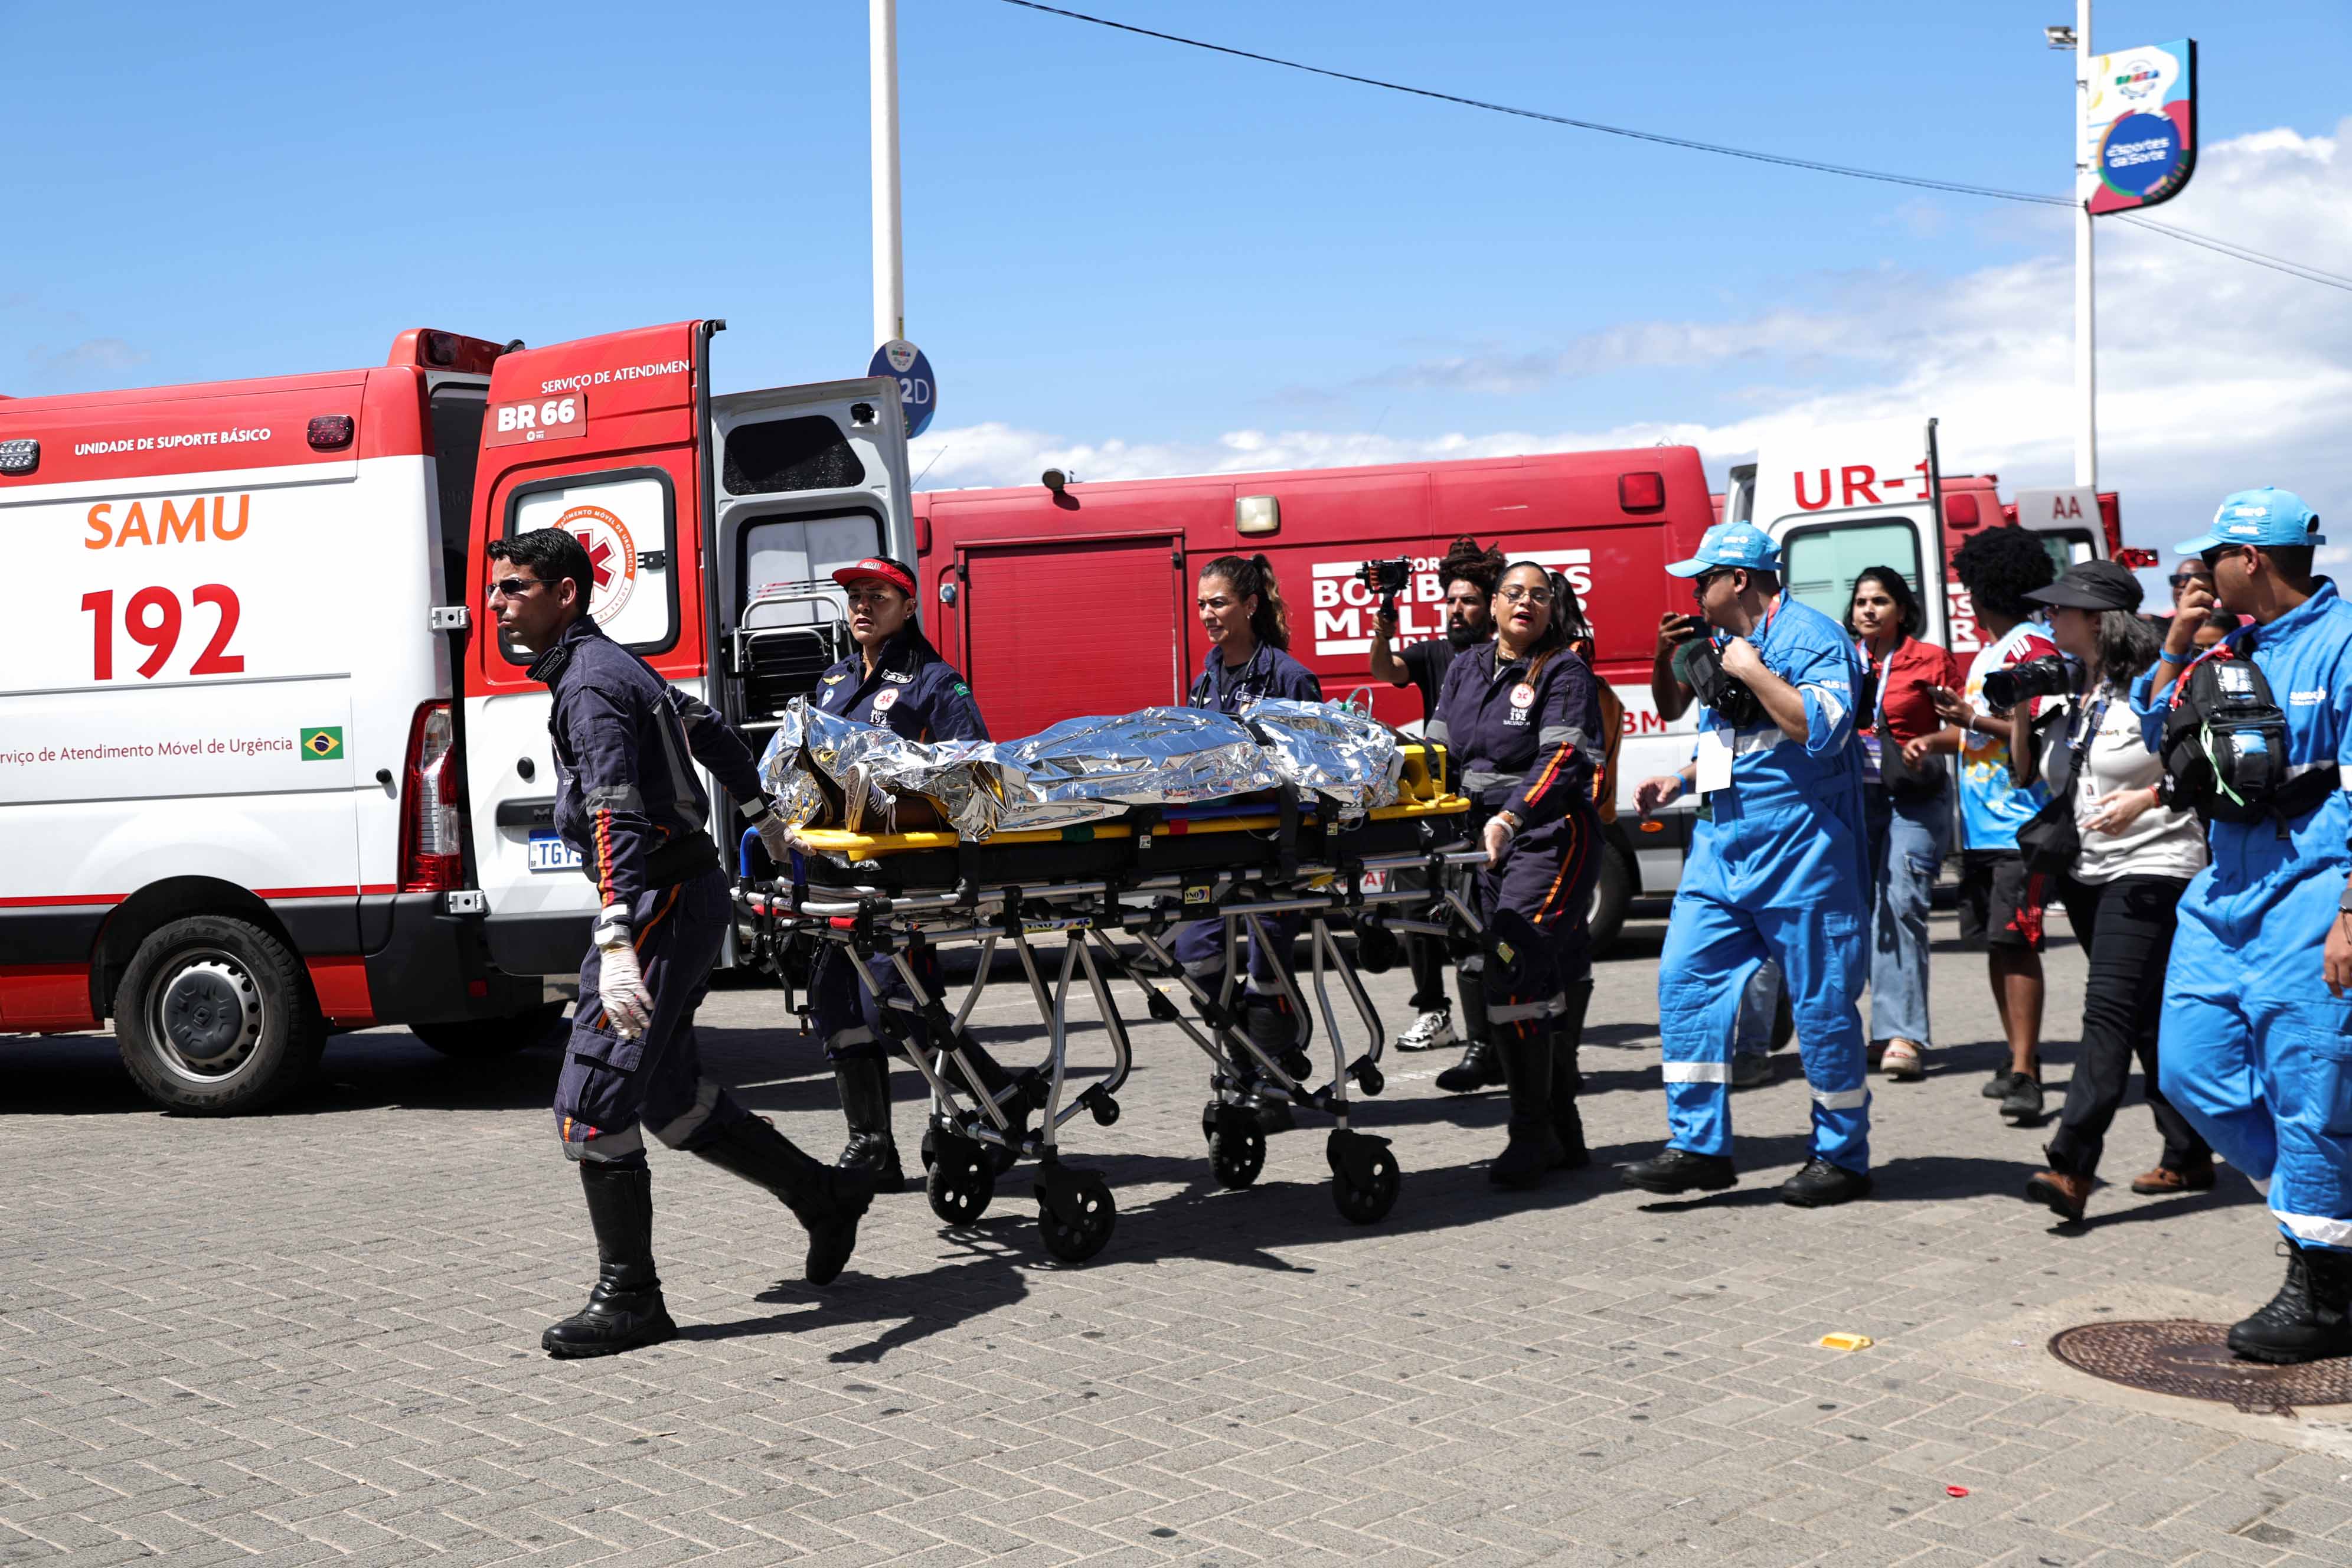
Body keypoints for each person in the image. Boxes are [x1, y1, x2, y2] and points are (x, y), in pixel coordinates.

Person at [486, 528, 873, 1359]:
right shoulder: (609, 665)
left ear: (565, 594)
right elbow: (703, 726)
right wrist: (762, 814)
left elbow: (616, 810)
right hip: (681, 895)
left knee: (591, 1105)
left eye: (515, 588)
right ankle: (823, 1196)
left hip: (659, 900)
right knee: (664, 1097)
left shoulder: (588, 683)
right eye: (497, 589)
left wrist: (619, 930)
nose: (497, 604)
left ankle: (631, 1299)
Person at [2144, 490, 2352, 1363]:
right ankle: (2324, 1215)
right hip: (2224, 891)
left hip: (2313, 891)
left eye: (2211, 560)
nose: (2197, 572)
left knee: (2312, 1092)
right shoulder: (2225, 650)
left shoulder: (2341, 645)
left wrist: (2350, 913)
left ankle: (2325, 1290)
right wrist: (2175, 648)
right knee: (2190, 1066)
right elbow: (2164, 738)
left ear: (2252, 561)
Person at [1626, 522, 1874, 1206]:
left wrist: (1755, 672)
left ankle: (1841, 1158)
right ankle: (1699, 1147)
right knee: (1685, 981)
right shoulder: (1718, 646)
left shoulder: (1814, 637)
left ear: (1738, 579)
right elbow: (1733, 740)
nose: (1693, 590)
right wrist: (1680, 779)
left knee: (1823, 1009)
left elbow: (1821, 731)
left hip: (1805, 855)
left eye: (1701, 578)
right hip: (1722, 851)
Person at [2003, 561, 2211, 1222]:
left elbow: (2197, 771)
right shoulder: (2080, 690)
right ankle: (2189, 1153)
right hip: (2090, 871)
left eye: (2058, 610)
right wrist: (2016, 713)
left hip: (2155, 865)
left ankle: (2071, 1165)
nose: (2048, 620)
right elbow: (2027, 778)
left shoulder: (2159, 684)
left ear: (2096, 620)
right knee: (2145, 1016)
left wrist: (2146, 800)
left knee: (2107, 1015)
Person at [802, 556, 1003, 1193]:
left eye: (877, 595)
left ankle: (1004, 1095)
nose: (862, 605)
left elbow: (975, 776)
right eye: (855, 596)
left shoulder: (935, 684)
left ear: (909, 604)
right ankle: (872, 1147)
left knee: (899, 1007)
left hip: (901, 880)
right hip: (833, 875)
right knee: (836, 1006)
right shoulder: (833, 682)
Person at [1426, 560, 1608, 1184]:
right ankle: (1563, 1129)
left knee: (1513, 967)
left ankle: (1531, 1134)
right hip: (1482, 840)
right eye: (1514, 593)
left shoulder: (1565, 671)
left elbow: (1561, 757)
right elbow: (1437, 754)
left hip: (1548, 834)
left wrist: (1508, 817)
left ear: (1552, 608)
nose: (1525, 603)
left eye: (1539, 595)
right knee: (1534, 975)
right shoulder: (1465, 667)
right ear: (1495, 603)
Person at [1175, 554, 1324, 1132]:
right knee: (1194, 958)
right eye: (1202, 605)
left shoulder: (1290, 678)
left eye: (1218, 603)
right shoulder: (1204, 681)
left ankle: (1269, 1090)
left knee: (1268, 968)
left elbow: (1315, 766)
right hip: (1211, 853)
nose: (1207, 615)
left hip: (1275, 850)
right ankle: (1260, 1055)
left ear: (1250, 605)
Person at [1927, 528, 2060, 1125]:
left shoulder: (2030, 647)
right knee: (1994, 944)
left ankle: (2029, 1070)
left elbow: (2047, 730)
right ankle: (2015, 1057)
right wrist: (1943, 734)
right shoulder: (1994, 650)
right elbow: (1982, 733)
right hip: (1982, 829)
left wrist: (1969, 714)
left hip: (2018, 827)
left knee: (2017, 944)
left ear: (1983, 591)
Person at [1372, 538, 1501, 1062]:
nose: (1456, 610)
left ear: (1489, 605)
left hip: (1486, 806)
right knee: (1415, 903)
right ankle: (1433, 1010)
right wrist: (1382, 635)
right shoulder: (1434, 652)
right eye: (1450, 600)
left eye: (1467, 601)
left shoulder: (1505, 652)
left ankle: (1487, 1025)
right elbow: (1386, 672)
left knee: (1473, 915)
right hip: (1437, 804)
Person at [1651, 607, 1783, 1090]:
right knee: (1700, 954)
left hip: (1770, 820)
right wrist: (1662, 654)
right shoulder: (1701, 650)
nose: (1700, 598)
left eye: (1707, 584)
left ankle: (1752, 1049)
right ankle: (1728, 1046)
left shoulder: (1775, 644)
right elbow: (1675, 714)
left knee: (1767, 949)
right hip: (1714, 816)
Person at [1846, 568, 1960, 1082]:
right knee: (1859, 912)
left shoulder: (1931, 659)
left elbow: (1967, 728)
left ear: (1901, 609)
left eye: (1880, 601)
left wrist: (1928, 742)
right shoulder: (1842, 658)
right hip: (1856, 799)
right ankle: (1875, 1031)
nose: (1869, 610)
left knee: (1901, 903)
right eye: (1862, 601)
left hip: (1914, 799)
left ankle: (1904, 1035)